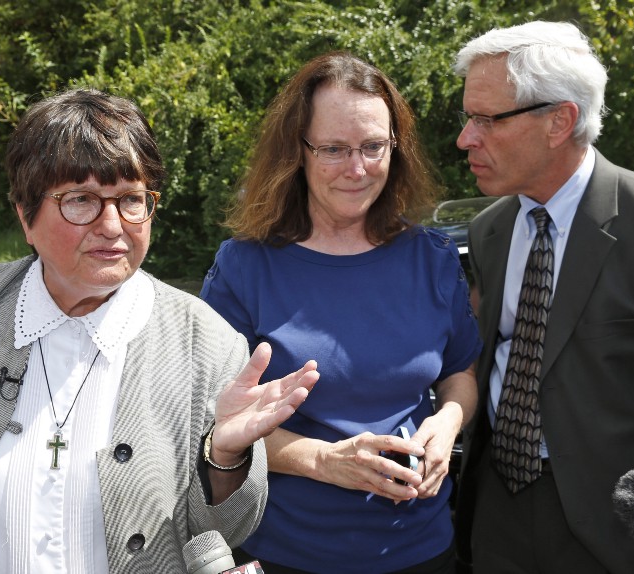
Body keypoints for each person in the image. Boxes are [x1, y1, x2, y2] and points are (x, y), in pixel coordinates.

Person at [0, 88, 320, 573]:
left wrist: (225, 456)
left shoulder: (208, 343)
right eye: (80, 200)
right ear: (25, 215)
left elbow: (229, 529)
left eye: (130, 199)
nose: (112, 225)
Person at [200, 51, 481, 573]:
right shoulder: (245, 266)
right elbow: (213, 421)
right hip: (285, 552)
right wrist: (325, 462)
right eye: (333, 149)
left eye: (373, 146)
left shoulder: (433, 258)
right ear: (297, 152)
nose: (356, 169)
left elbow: (460, 371)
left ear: (396, 148)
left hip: (423, 550)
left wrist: (447, 423)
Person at [452, 20, 634, 574]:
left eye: (486, 120)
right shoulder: (490, 231)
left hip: (623, 542)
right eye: (468, 118)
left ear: (559, 121)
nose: (466, 138)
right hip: (496, 519)